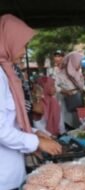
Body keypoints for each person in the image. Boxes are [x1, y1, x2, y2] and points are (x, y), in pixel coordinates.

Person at [0, 14, 62, 190]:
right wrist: (37, 142)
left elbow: (10, 120)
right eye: (23, 45)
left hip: (11, 172)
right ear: (8, 41)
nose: (24, 51)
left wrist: (35, 132)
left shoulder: (7, 71)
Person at [55, 51, 85, 128]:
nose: (80, 64)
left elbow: (82, 85)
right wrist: (63, 91)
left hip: (78, 99)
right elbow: (54, 85)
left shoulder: (78, 73)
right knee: (69, 122)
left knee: (79, 120)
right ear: (73, 61)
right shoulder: (60, 74)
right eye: (79, 62)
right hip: (67, 102)